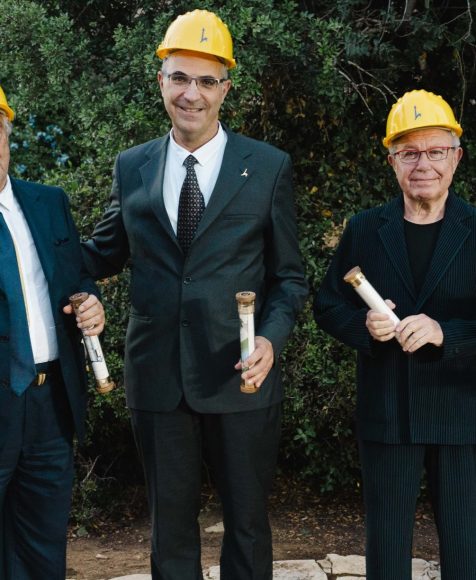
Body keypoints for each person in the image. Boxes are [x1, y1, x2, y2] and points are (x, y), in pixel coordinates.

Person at [81, 9, 307, 580]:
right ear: (161, 80)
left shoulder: (269, 166)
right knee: (170, 531)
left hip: (241, 376)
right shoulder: (132, 167)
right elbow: (98, 255)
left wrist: (272, 342)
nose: (192, 94)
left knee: (249, 527)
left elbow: (290, 278)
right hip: (157, 379)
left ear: (225, 88)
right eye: (180, 77)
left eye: (207, 81)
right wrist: (30, 246)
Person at [314, 89, 476, 579]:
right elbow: (326, 304)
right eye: (408, 152)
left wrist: (444, 333)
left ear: (456, 158)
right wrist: (364, 325)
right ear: (391, 161)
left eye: (434, 151)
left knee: (467, 548)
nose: (422, 163)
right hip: (389, 411)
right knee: (386, 553)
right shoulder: (366, 229)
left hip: (462, 414)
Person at [0, 85, 105, 579]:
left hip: (50, 404)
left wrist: (91, 303)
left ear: (8, 135)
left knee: (44, 548)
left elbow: (77, 278)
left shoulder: (48, 203)